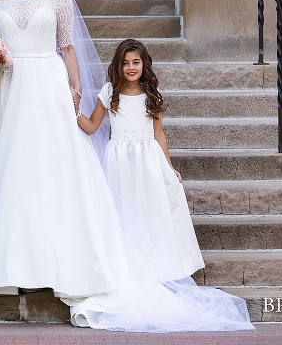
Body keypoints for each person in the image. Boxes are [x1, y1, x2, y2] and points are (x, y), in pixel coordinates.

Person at [0, 0, 254, 332]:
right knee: (9, 171)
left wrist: (75, 87)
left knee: (56, 172)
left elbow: (66, 45)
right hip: (8, 92)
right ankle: (5, 266)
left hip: (48, 86)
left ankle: (64, 263)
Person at [77, 39, 205, 280]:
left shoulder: (151, 94)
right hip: (119, 161)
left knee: (149, 209)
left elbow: (159, 134)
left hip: (148, 161)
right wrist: (71, 111)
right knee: (124, 210)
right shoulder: (109, 92)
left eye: (136, 62)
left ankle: (158, 260)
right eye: (125, 63)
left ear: (144, 64)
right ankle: (127, 261)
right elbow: (92, 126)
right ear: (118, 66)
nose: (131, 67)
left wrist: (169, 166)